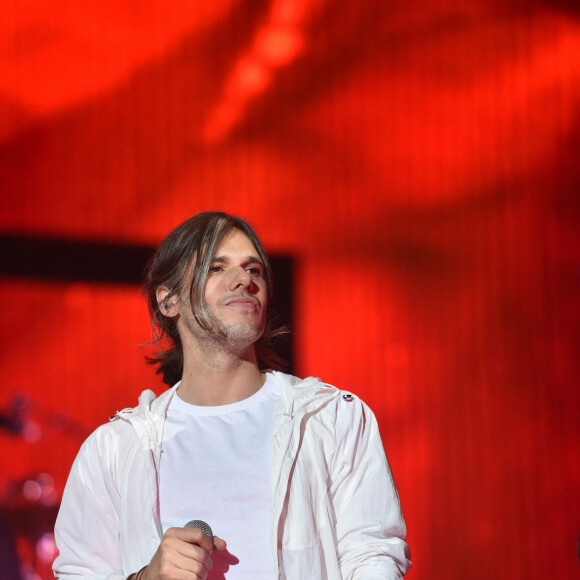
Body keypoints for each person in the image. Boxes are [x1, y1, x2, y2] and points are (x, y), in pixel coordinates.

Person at [53, 211, 411, 579]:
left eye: (254, 270)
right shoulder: (114, 449)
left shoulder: (331, 420)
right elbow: (79, 572)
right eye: (216, 267)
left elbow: (374, 555)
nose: (244, 280)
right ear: (168, 301)